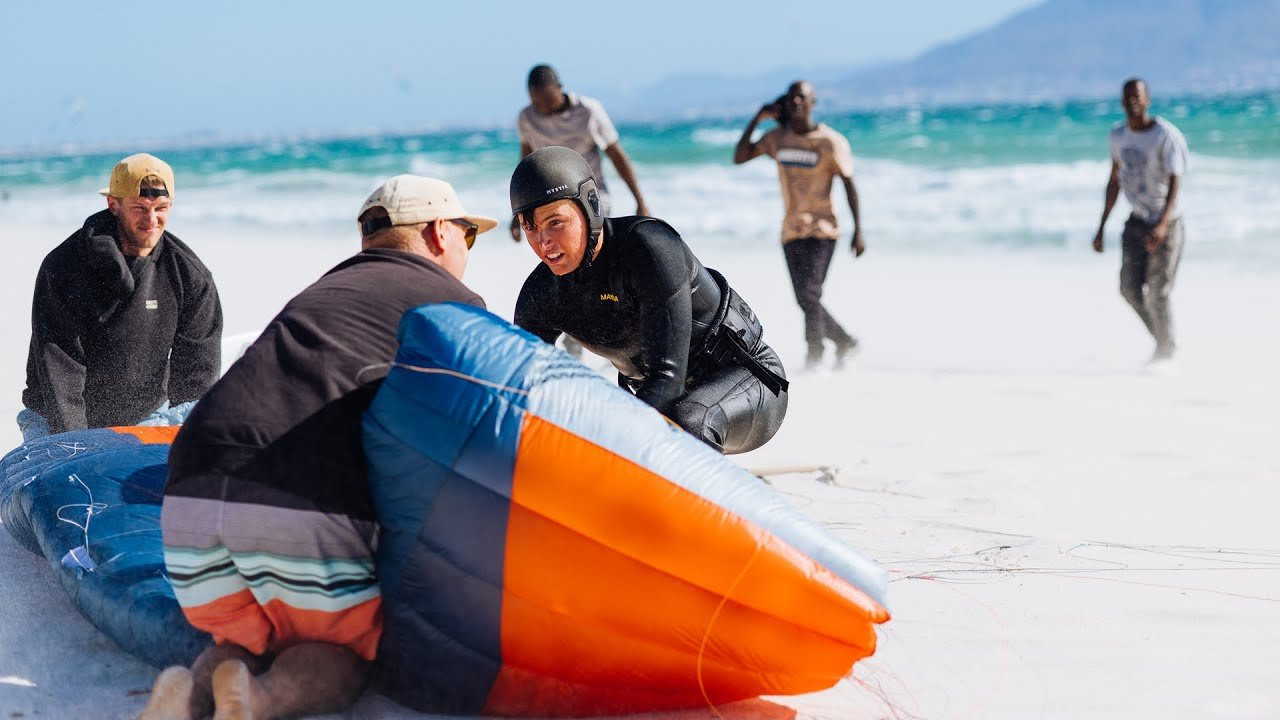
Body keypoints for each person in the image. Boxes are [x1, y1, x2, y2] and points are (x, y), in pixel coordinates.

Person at [139, 176, 493, 720]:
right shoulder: (455, 304)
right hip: (293, 488)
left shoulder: (325, 290)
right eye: (468, 234)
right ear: (439, 231)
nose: (468, 249)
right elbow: (481, 435)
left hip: (189, 486)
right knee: (336, 650)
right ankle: (259, 702)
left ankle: (189, 694)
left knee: (249, 640)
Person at [510, 146, 788, 455]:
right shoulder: (541, 294)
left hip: (748, 383)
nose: (543, 242)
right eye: (530, 227)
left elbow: (667, 380)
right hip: (662, 400)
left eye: (555, 222)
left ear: (591, 205)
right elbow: (520, 387)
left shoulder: (648, 248)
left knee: (686, 420)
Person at [20, 153, 222, 441]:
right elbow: (60, 368)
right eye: (139, 208)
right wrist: (77, 444)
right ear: (113, 204)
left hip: (147, 417)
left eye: (161, 208)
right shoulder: (64, 267)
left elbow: (197, 378)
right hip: (56, 418)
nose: (151, 219)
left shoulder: (190, 275)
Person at [733, 80, 864, 371]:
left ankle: (815, 355)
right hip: (791, 231)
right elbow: (740, 157)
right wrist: (758, 118)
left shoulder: (830, 142)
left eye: (802, 97)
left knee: (809, 295)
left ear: (813, 103)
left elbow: (849, 184)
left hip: (822, 230)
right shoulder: (777, 139)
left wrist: (859, 230)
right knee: (806, 299)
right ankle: (845, 341)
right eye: (792, 97)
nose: (796, 102)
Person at [1092, 77, 1189, 364]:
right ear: (1122, 102)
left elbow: (1175, 181)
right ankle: (1163, 342)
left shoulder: (1165, 136)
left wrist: (1163, 223)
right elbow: (1114, 180)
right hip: (1136, 222)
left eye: (1138, 96)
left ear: (1148, 100)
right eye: (1128, 97)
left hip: (1167, 222)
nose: (1133, 102)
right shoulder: (1118, 136)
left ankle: (1166, 352)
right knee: (1129, 289)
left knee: (1158, 292)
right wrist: (1101, 227)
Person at [511, 64, 649, 242]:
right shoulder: (526, 118)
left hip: (592, 196)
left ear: (560, 88)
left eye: (548, 101)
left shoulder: (588, 111)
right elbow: (525, 166)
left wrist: (640, 202)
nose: (544, 109)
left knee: (592, 246)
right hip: (550, 203)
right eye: (538, 103)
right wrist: (518, 215)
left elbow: (617, 157)